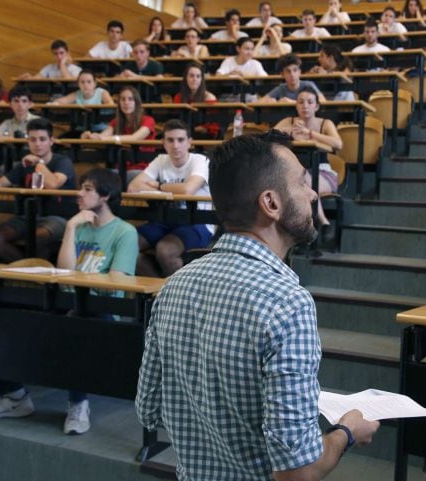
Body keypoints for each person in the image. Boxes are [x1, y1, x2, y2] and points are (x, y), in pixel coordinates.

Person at [135, 131, 379, 480]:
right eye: (302, 183)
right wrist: (348, 431)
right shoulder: (287, 304)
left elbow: (148, 410)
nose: (312, 193)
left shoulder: (174, 285)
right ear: (271, 203)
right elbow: (298, 473)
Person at [0, 170, 136, 435]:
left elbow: (116, 281)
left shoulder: (124, 233)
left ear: (105, 196)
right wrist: (70, 228)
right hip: (64, 298)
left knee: (74, 322)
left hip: (100, 309)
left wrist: (79, 284)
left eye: (87, 189)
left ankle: (79, 404)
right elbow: (65, 271)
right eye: (81, 187)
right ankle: (13, 397)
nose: (79, 193)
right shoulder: (78, 226)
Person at [0, 118, 75, 262]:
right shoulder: (24, 164)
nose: (37, 144)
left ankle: (39, 276)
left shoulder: (62, 162)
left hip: (59, 218)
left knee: (37, 237)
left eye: (42, 139)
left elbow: (53, 184)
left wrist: (39, 163)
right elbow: (4, 182)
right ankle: (26, 269)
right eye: (33, 139)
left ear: (51, 141)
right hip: (27, 216)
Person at [127, 119, 213, 277]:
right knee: (126, 243)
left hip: (197, 222)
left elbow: (188, 189)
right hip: (164, 220)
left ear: (189, 142)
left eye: (180, 140)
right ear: (163, 143)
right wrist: (170, 188)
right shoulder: (160, 160)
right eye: (170, 140)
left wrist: (159, 186)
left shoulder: (200, 160)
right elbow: (133, 186)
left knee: (165, 250)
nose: (175, 145)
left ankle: (178, 296)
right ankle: (157, 293)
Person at [274, 87, 342, 227]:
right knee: (297, 179)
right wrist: (289, 131)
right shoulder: (289, 121)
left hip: (323, 173)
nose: (305, 106)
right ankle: (314, 225)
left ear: (316, 106)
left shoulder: (325, 123)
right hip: (296, 173)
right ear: (296, 105)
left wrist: (310, 133)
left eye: (310, 102)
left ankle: (319, 221)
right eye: (301, 102)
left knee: (300, 179)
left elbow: (338, 144)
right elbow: (269, 136)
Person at [81, 86, 156, 175]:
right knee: (94, 176)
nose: (126, 103)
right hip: (120, 168)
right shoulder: (115, 122)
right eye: (123, 99)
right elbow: (102, 137)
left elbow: (134, 138)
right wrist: (89, 136)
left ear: (137, 102)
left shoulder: (148, 120)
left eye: (130, 99)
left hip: (143, 169)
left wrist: (106, 138)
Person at [173, 62, 220, 138]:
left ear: (202, 79)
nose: (195, 79)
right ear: (186, 78)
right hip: (183, 132)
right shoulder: (178, 97)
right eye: (191, 76)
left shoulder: (209, 98)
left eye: (198, 76)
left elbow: (214, 127)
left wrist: (204, 128)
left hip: (204, 134)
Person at [260, 54, 324, 103]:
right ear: (282, 74)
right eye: (288, 71)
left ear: (300, 72)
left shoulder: (309, 85)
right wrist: (274, 102)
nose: (292, 75)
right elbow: (259, 102)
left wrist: (291, 102)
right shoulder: (281, 88)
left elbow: (323, 101)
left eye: (295, 70)